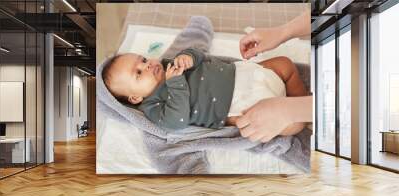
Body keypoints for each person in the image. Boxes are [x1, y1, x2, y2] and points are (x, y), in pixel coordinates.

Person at [102, 48, 307, 137]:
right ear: (135, 97)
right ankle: (302, 117)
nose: (147, 66)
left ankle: (302, 101)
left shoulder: (168, 64)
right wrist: (175, 84)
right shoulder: (152, 105)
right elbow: (176, 122)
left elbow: (199, 56)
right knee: (294, 125)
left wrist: (188, 57)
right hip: (238, 104)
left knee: (285, 65)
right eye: (138, 73)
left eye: (144, 60)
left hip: (241, 72)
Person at [237, 10, 313, 143]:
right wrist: (283, 32)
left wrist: (287, 110)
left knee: (284, 66)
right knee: (284, 65)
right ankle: (300, 109)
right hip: (241, 104)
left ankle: (300, 109)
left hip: (252, 99)